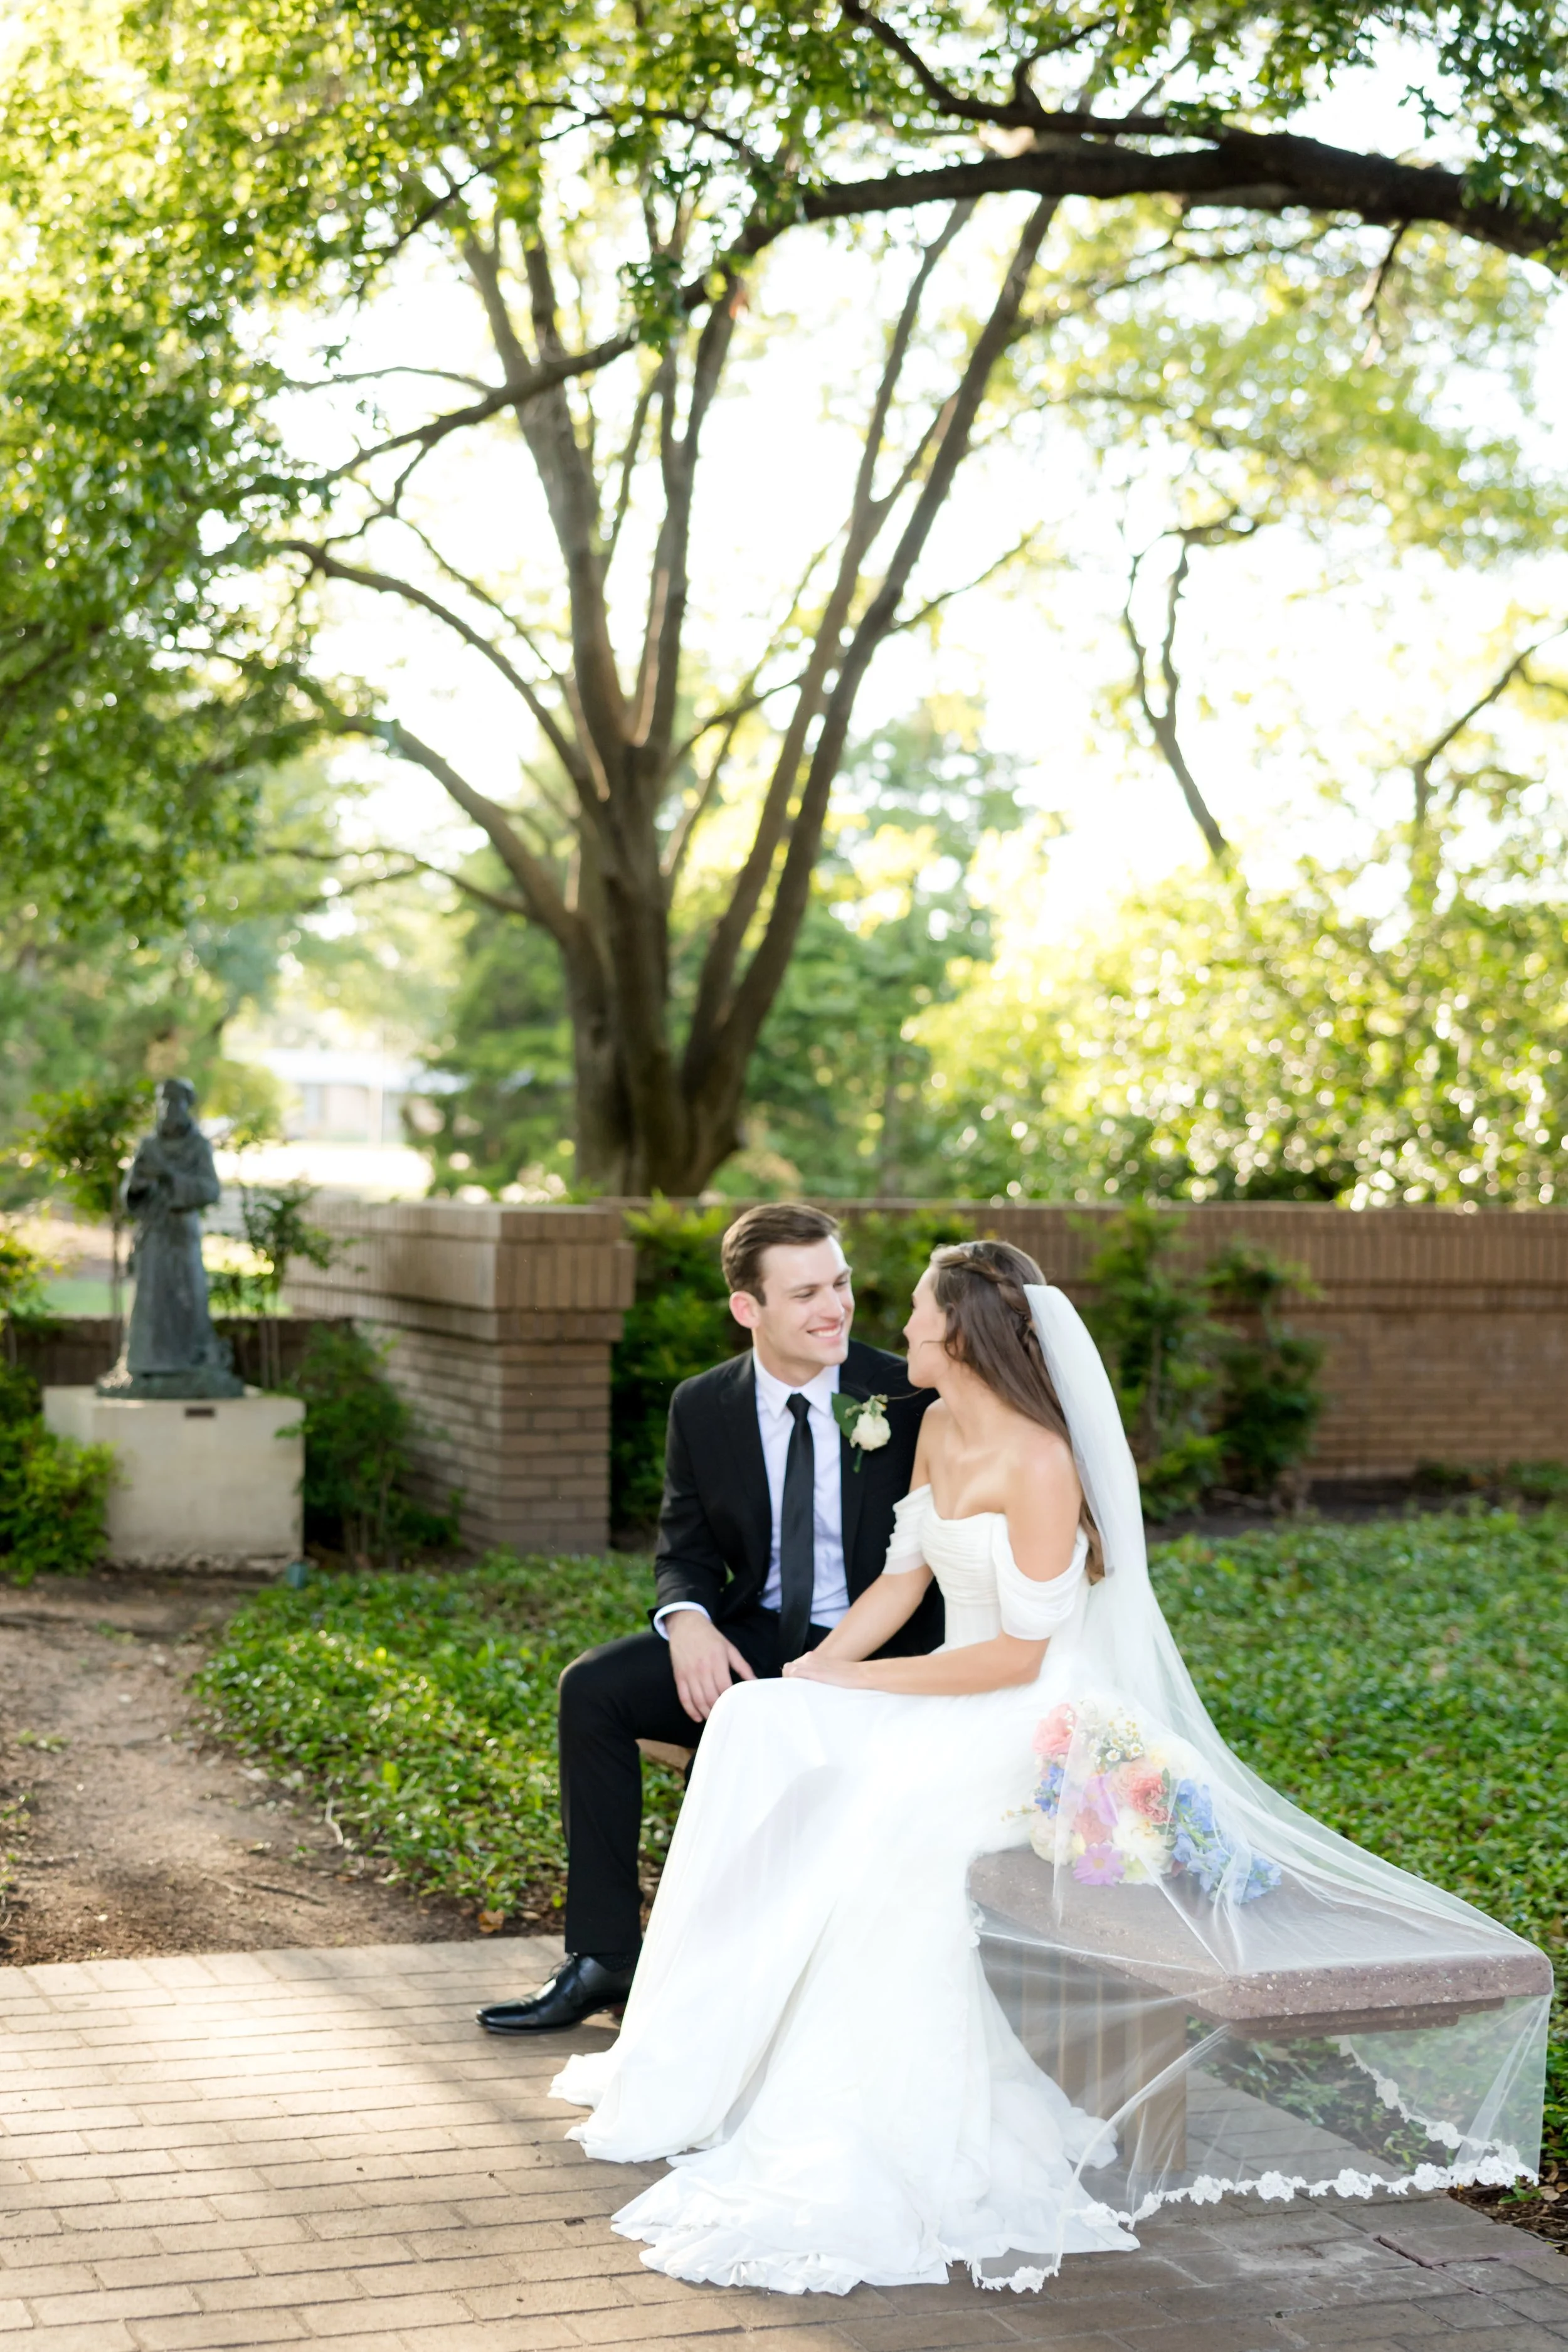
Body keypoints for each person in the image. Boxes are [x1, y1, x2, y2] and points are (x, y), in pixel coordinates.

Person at [548, 1239, 1550, 2295]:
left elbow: (1020, 1654)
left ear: (960, 1332)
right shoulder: (934, 1424)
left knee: (885, 1824)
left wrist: (866, 1689)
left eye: (921, 1309)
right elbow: (899, 1579)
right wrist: (812, 1670)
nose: (900, 1323)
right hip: (941, 1683)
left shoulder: (1040, 1458)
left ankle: (873, 2111)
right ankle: (714, 2037)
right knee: (761, 1729)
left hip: (1022, 1712)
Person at [476, 1201, 941, 2036]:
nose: (834, 1307)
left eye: (839, 1282)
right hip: (758, 1631)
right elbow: (683, 1541)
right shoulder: (704, 1405)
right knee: (594, 1689)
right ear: (747, 1308)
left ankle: (739, 1969)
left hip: (882, 1646)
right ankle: (606, 1958)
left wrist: (842, 1664)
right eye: (804, 1294)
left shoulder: (906, 1395)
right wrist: (687, 1618)